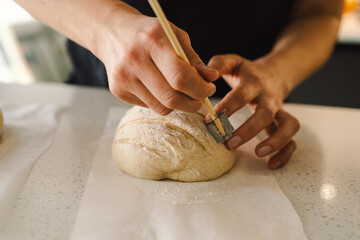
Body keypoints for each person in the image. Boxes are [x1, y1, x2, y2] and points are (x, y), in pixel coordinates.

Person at [16, 0, 343, 169]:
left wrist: (276, 72)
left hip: (249, 108)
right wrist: (107, 27)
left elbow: (320, 12)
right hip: (94, 98)